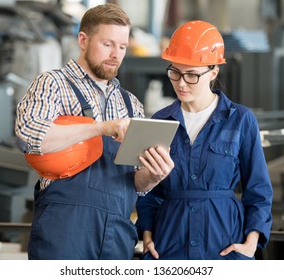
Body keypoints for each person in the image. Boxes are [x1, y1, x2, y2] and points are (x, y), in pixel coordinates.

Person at [14, 3, 173, 260]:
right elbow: (30, 137)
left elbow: (135, 181)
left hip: (117, 231)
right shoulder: (53, 84)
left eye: (122, 47)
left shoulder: (130, 103)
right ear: (83, 39)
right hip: (65, 229)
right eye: (108, 44)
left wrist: (153, 175)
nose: (116, 54)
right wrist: (101, 127)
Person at [135, 20, 274, 260]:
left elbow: (258, 189)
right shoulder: (161, 120)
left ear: (213, 72)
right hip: (170, 244)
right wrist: (147, 234)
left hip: (223, 243)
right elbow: (149, 191)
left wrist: (251, 242)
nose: (180, 83)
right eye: (175, 72)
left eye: (191, 75)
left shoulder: (240, 120)